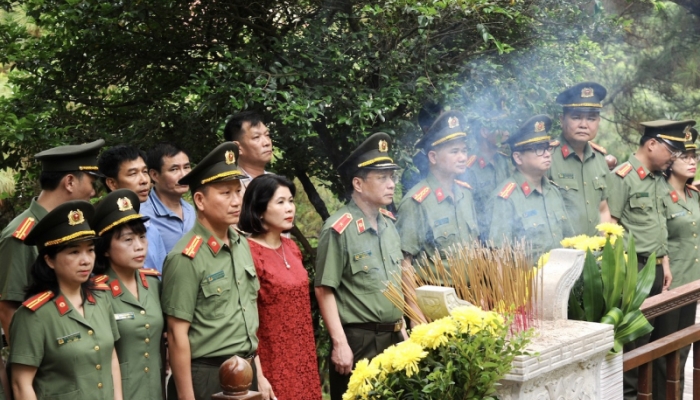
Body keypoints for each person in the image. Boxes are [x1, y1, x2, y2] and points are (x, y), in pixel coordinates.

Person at [161, 142, 265, 400]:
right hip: (208, 375)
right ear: (200, 200)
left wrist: (259, 375)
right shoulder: (186, 257)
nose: (235, 201)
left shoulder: (241, 243)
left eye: (237, 191)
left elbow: (246, 319)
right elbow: (176, 335)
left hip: (246, 370)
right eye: (225, 193)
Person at [315, 132, 406, 400]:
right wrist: (339, 343)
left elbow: (394, 286)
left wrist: (402, 331)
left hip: (393, 338)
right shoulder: (339, 228)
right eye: (382, 178)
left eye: (392, 177)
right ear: (358, 183)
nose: (391, 184)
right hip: (359, 340)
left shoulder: (389, 225)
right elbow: (323, 289)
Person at [607, 119, 692, 399]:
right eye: (671, 150)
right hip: (634, 270)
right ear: (652, 144)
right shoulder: (624, 175)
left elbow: (658, 225)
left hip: (656, 269)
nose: (674, 157)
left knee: (657, 345)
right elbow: (611, 225)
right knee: (635, 346)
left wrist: (665, 262)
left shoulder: (657, 178)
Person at [9, 200, 123, 400]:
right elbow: (21, 384)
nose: (86, 260)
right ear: (49, 260)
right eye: (74, 252)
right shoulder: (34, 315)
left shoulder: (100, 297)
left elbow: (111, 357)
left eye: (90, 250)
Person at [0, 139, 104, 345]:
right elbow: (8, 308)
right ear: (70, 182)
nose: (93, 192)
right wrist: (28, 366)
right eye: (91, 183)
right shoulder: (20, 235)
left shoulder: (75, 226)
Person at [238, 174, 322, 400]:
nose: (290, 208)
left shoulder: (292, 247)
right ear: (260, 209)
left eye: (291, 201)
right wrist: (259, 374)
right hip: (271, 360)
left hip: (303, 356)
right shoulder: (248, 252)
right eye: (281, 202)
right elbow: (247, 320)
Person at [92, 189, 164, 399]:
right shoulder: (97, 293)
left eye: (142, 237)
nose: (139, 246)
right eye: (127, 240)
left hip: (155, 391)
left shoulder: (152, 283)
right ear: (105, 249)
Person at [396, 110, 480, 281]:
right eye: (454, 151)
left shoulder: (465, 193)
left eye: (464, 150)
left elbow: (475, 247)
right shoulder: (416, 202)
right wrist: (414, 308)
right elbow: (405, 263)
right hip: (437, 303)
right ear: (433, 157)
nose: (463, 157)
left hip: (473, 299)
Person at [651, 127, 700, 400]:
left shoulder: (694, 196)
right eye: (684, 156)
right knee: (664, 353)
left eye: (695, 156)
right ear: (671, 163)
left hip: (692, 284)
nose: (692, 162)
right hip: (671, 286)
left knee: (682, 351)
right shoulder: (658, 194)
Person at [489, 115, 574, 263]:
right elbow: (499, 258)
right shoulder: (506, 198)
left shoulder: (553, 191)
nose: (547, 154)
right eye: (538, 149)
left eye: (547, 148)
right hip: (527, 283)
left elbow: (569, 242)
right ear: (518, 158)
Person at [549, 82, 611, 236]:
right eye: (576, 117)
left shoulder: (600, 159)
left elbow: (603, 210)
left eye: (591, 118)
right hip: (561, 254)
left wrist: (607, 248)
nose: (584, 125)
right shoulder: (547, 157)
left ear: (598, 122)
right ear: (562, 120)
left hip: (596, 254)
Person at [98, 144, 167, 272]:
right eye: (133, 174)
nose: (144, 180)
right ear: (112, 183)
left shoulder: (150, 227)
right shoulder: (102, 231)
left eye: (145, 172)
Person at [461, 116, 512, 241]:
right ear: (484, 132)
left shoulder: (504, 161)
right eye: (501, 129)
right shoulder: (468, 168)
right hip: (483, 241)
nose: (507, 133)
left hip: (507, 236)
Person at [141, 142, 195, 253]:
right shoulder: (142, 215)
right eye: (174, 169)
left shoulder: (192, 211)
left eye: (186, 167)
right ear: (154, 175)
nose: (184, 175)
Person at [223, 111, 273, 193]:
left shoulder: (276, 181)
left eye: (267, 135)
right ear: (238, 148)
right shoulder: (232, 187)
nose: (267, 143)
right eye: (256, 137)